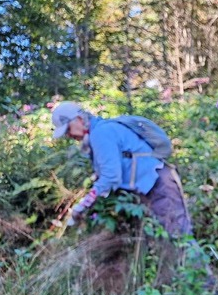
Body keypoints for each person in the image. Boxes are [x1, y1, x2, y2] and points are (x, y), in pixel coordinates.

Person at [51, 101, 193, 237]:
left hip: (158, 185)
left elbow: (111, 176)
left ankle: (197, 263)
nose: (69, 135)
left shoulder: (100, 133)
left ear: (79, 119)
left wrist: (85, 203)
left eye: (68, 129)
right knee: (164, 240)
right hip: (152, 184)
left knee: (179, 238)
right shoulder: (101, 130)